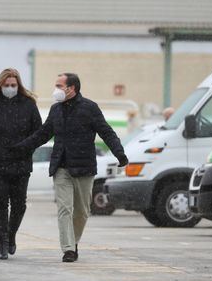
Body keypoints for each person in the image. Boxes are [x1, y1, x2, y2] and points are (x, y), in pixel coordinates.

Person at [12, 73, 128, 262]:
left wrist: (119, 153)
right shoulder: (55, 109)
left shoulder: (90, 108)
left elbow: (106, 131)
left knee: (82, 211)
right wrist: (21, 147)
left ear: (71, 88)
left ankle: (73, 241)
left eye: (59, 85)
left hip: (84, 167)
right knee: (64, 208)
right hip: (61, 167)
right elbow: (43, 134)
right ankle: (68, 249)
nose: (55, 89)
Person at [0, 68, 42, 260]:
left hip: (20, 161)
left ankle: (12, 234)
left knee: (19, 204)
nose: (10, 88)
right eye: (6, 85)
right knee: (0, 202)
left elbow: (38, 132)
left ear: (18, 85)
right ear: (0, 85)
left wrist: (25, 147)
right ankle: (3, 242)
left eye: (13, 85)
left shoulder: (28, 104)